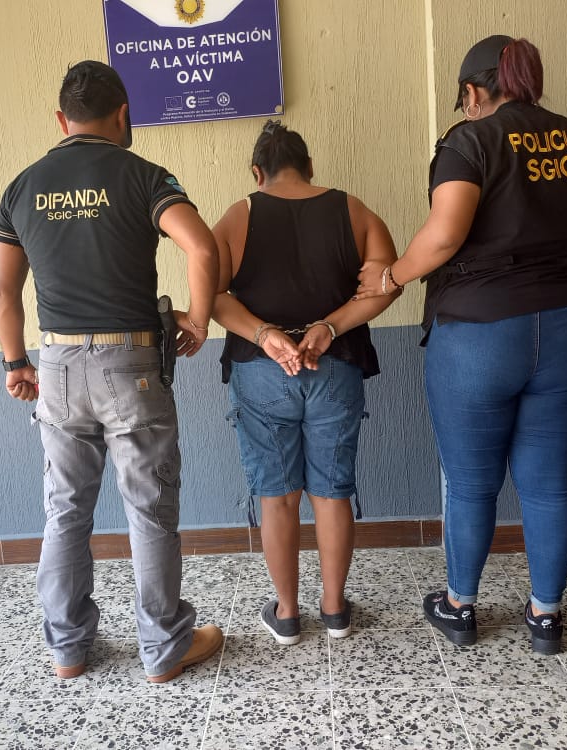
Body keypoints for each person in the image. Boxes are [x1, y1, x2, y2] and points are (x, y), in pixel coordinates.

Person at [356, 36, 567, 655]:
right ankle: (545, 617)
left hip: (478, 332)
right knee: (550, 483)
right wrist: (557, 304)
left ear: (473, 92)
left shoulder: (468, 142)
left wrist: (390, 278)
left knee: (471, 483)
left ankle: (460, 607)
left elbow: (444, 237)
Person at [0, 60, 223, 682]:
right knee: (148, 509)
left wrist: (16, 362)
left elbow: (4, 292)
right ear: (123, 115)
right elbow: (202, 247)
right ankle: (163, 648)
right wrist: (200, 320)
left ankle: (68, 650)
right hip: (131, 365)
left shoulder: (22, 188)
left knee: (65, 509)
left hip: (57, 365)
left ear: (61, 120)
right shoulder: (144, 177)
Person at [212, 120, 399, 645]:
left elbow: (212, 295)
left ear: (257, 172)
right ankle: (335, 610)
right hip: (334, 366)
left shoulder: (238, 216)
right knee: (331, 492)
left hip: (261, 371)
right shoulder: (354, 210)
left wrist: (265, 333)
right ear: (310, 167)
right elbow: (388, 283)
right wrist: (330, 326)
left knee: (277, 496)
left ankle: (288, 614)